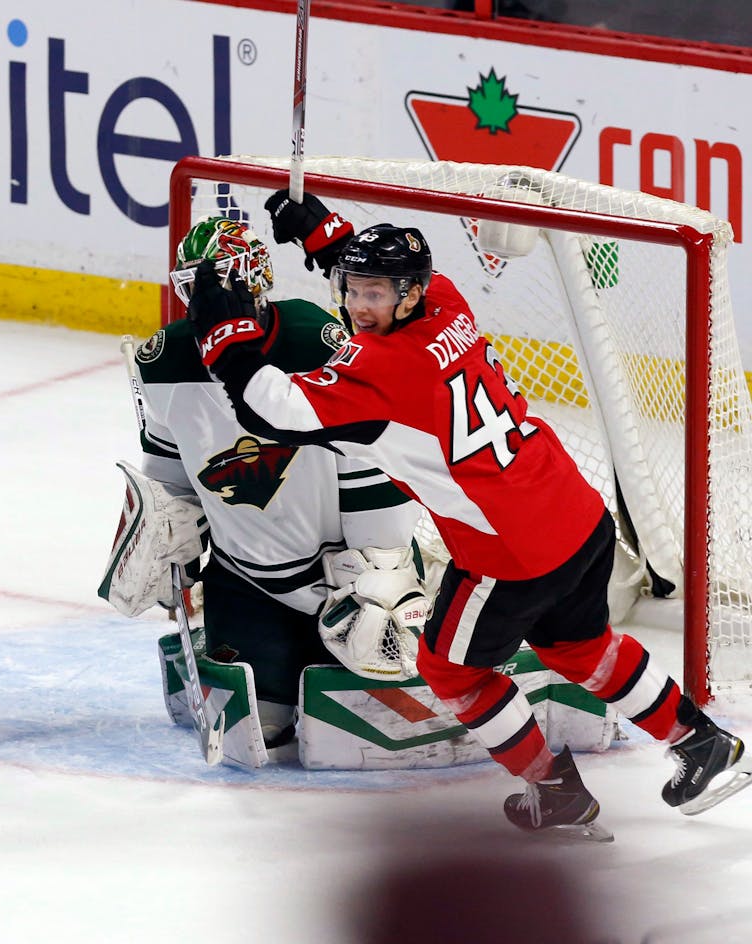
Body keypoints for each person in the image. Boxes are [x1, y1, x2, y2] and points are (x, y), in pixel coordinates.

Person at [185, 187, 750, 833]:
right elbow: (377, 273)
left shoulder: (379, 371)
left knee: (448, 669)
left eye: (376, 294)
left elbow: (270, 410)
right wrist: (321, 231)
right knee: (579, 645)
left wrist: (220, 332)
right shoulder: (446, 301)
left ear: (409, 295)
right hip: (577, 516)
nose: (359, 305)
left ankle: (554, 790)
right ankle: (701, 742)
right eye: (353, 289)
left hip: (510, 554)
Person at [98, 215, 428, 768]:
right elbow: (171, 480)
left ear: (252, 287)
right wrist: (166, 532)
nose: (200, 306)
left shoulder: (313, 340)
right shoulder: (164, 361)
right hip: (248, 579)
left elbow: (375, 459)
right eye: (191, 290)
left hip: (342, 575)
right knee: (266, 731)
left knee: (369, 712)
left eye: (215, 289)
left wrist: (384, 564)